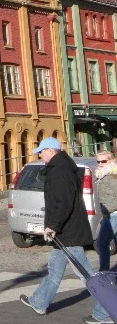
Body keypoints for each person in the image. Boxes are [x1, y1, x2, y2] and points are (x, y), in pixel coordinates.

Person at [20, 138, 113, 324]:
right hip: (67, 229)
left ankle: (106, 311)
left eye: (41, 151)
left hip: (68, 231)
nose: (39, 154)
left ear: (51, 151)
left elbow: (63, 202)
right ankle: (39, 301)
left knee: (84, 272)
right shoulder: (62, 167)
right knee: (55, 269)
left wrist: (53, 225)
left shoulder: (59, 171)